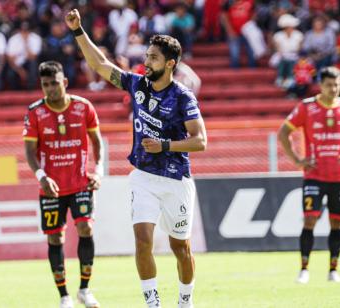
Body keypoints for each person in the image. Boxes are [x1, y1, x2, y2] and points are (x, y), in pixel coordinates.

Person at [66, 9, 207, 308]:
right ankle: (152, 303)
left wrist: (165, 145)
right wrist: (78, 31)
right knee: (142, 241)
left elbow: (200, 141)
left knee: (180, 247)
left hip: (176, 179)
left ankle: (185, 301)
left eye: (153, 58)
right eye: (147, 55)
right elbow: (100, 64)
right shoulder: (137, 84)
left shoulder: (183, 97)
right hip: (143, 177)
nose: (146, 61)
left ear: (170, 63)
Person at [23, 61, 104, 308]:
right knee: (55, 238)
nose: (50, 89)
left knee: (86, 230)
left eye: (54, 83)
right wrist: (42, 177)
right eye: (45, 85)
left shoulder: (83, 107)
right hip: (51, 188)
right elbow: (29, 151)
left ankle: (85, 290)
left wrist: (98, 171)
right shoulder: (35, 112)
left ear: (64, 82)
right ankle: (64, 296)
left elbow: (97, 142)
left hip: (80, 183)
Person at [278, 66, 340, 284]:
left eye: (337, 85)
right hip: (314, 175)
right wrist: (298, 160)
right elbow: (283, 132)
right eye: (329, 85)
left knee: (337, 223)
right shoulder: (307, 107)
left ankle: (333, 269)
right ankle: (304, 269)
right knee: (310, 220)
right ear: (320, 85)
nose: (334, 89)